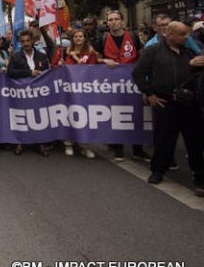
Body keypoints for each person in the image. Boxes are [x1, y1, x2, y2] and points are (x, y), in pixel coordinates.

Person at [132, 21, 204, 195]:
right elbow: (138, 73)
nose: (186, 37)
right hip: (165, 102)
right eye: (182, 34)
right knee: (164, 139)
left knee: (195, 141)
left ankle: (199, 176)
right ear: (170, 35)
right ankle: (158, 170)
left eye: (186, 34)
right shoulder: (154, 51)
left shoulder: (191, 50)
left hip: (190, 103)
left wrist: (194, 65)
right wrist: (149, 93)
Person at [97, 10, 151, 162]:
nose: (113, 22)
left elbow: (141, 56)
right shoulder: (102, 39)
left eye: (116, 19)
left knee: (136, 114)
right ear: (107, 23)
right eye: (110, 20)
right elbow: (96, 58)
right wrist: (104, 61)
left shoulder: (133, 37)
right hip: (112, 84)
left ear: (122, 21)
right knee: (116, 114)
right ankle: (118, 149)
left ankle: (137, 150)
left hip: (132, 82)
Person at [8, 29, 51, 157]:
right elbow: (10, 72)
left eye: (28, 40)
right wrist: (29, 73)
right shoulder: (15, 56)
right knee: (23, 117)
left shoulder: (42, 56)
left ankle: (41, 144)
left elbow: (47, 73)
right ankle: (20, 143)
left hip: (38, 93)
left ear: (32, 41)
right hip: (22, 94)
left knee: (39, 117)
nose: (26, 43)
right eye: (23, 41)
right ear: (20, 43)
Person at [60, 29, 97, 158]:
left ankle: (85, 146)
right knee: (69, 115)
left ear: (85, 38)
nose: (78, 38)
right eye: (76, 36)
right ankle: (69, 143)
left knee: (86, 117)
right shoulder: (66, 52)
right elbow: (57, 68)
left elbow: (93, 68)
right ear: (72, 39)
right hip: (70, 90)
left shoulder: (91, 52)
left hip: (85, 90)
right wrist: (60, 65)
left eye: (81, 36)